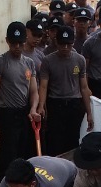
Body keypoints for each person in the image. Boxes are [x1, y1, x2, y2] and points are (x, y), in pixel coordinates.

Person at [0, 22, 41, 184]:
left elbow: (34, 91)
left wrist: (33, 109)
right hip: (7, 115)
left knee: (24, 157)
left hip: (25, 114)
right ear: (7, 41)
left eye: (20, 43)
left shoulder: (29, 63)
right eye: (13, 43)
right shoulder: (0, 63)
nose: (17, 47)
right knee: (7, 159)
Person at [39, 26, 95, 158]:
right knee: (55, 141)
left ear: (73, 43)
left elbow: (84, 88)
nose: (65, 47)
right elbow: (43, 86)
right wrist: (41, 106)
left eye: (68, 44)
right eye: (62, 44)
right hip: (55, 104)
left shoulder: (80, 60)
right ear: (56, 42)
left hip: (74, 105)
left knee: (73, 141)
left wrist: (89, 113)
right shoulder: (48, 61)